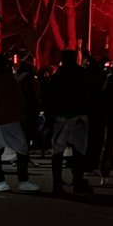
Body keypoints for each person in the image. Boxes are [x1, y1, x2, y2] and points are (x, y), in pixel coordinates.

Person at [0, 54, 39, 192]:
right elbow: (18, 98)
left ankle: (0, 181)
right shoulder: (8, 78)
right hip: (11, 118)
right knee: (22, 149)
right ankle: (23, 179)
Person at [46, 50, 93, 194]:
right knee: (79, 151)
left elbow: (49, 98)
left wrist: (50, 118)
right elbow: (89, 94)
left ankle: (57, 183)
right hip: (78, 116)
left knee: (58, 152)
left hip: (60, 117)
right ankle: (78, 180)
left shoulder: (56, 76)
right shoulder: (82, 75)